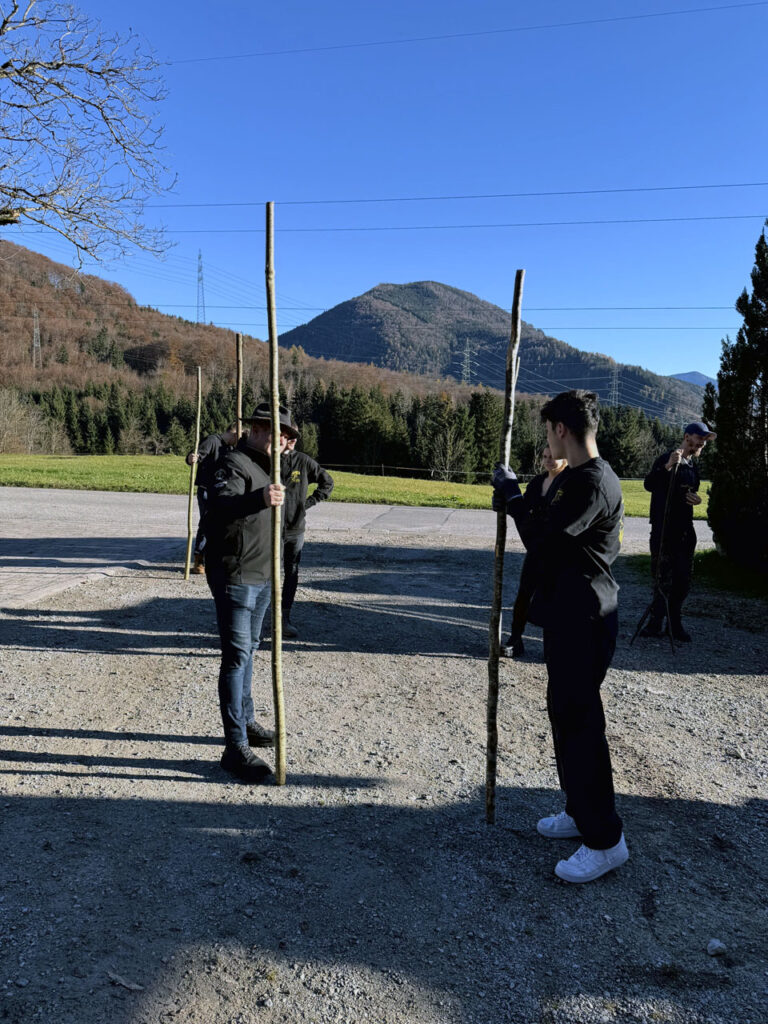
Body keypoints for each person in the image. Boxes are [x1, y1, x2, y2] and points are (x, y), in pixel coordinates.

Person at [492, 390, 627, 883]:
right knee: (565, 718)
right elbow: (539, 510)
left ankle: (605, 840)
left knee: (582, 726)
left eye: (549, 432)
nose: (546, 442)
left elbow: (543, 537)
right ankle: (579, 810)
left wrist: (512, 497)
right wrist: (517, 492)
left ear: (561, 430)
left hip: (587, 619)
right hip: (569, 617)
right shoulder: (570, 478)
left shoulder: (592, 483)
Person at [204, 403, 297, 783]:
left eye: (290, 436)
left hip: (262, 575)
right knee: (237, 657)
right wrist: (258, 499)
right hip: (236, 574)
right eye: (282, 433)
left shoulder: (265, 467)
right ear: (258, 429)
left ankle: (246, 721)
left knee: (251, 651)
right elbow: (219, 509)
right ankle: (234, 748)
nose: (287, 441)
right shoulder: (233, 463)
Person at [640, 422, 715, 642]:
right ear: (686, 437)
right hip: (664, 530)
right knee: (662, 578)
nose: (702, 442)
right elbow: (649, 484)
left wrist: (697, 499)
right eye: (699, 438)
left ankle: (674, 624)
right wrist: (667, 467)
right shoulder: (667, 458)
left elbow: (691, 493)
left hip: (685, 530)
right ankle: (655, 624)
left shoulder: (693, 466)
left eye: (704, 440)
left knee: (682, 580)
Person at [502, 445, 567, 658]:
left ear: (565, 458)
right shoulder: (538, 482)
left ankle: (556, 645)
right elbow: (523, 509)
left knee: (556, 597)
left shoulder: (568, 482)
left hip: (558, 552)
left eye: (553, 457)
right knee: (524, 594)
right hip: (536, 547)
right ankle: (515, 639)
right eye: (545, 456)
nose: (548, 460)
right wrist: (507, 502)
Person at [280, 430, 335, 638]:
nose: (292, 440)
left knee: (291, 572)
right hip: (269, 528)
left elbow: (327, 483)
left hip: (295, 528)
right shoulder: (267, 460)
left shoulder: (302, 461)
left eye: (294, 437)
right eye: (287, 436)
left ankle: (285, 617)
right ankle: (260, 617)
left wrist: (307, 504)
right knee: (266, 573)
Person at [185, 423, 239, 574]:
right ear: (233, 434)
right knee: (207, 523)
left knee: (221, 525)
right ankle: (199, 559)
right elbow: (195, 455)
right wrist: (192, 458)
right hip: (207, 490)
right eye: (237, 438)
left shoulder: (231, 448)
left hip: (222, 491)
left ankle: (214, 559)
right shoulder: (212, 441)